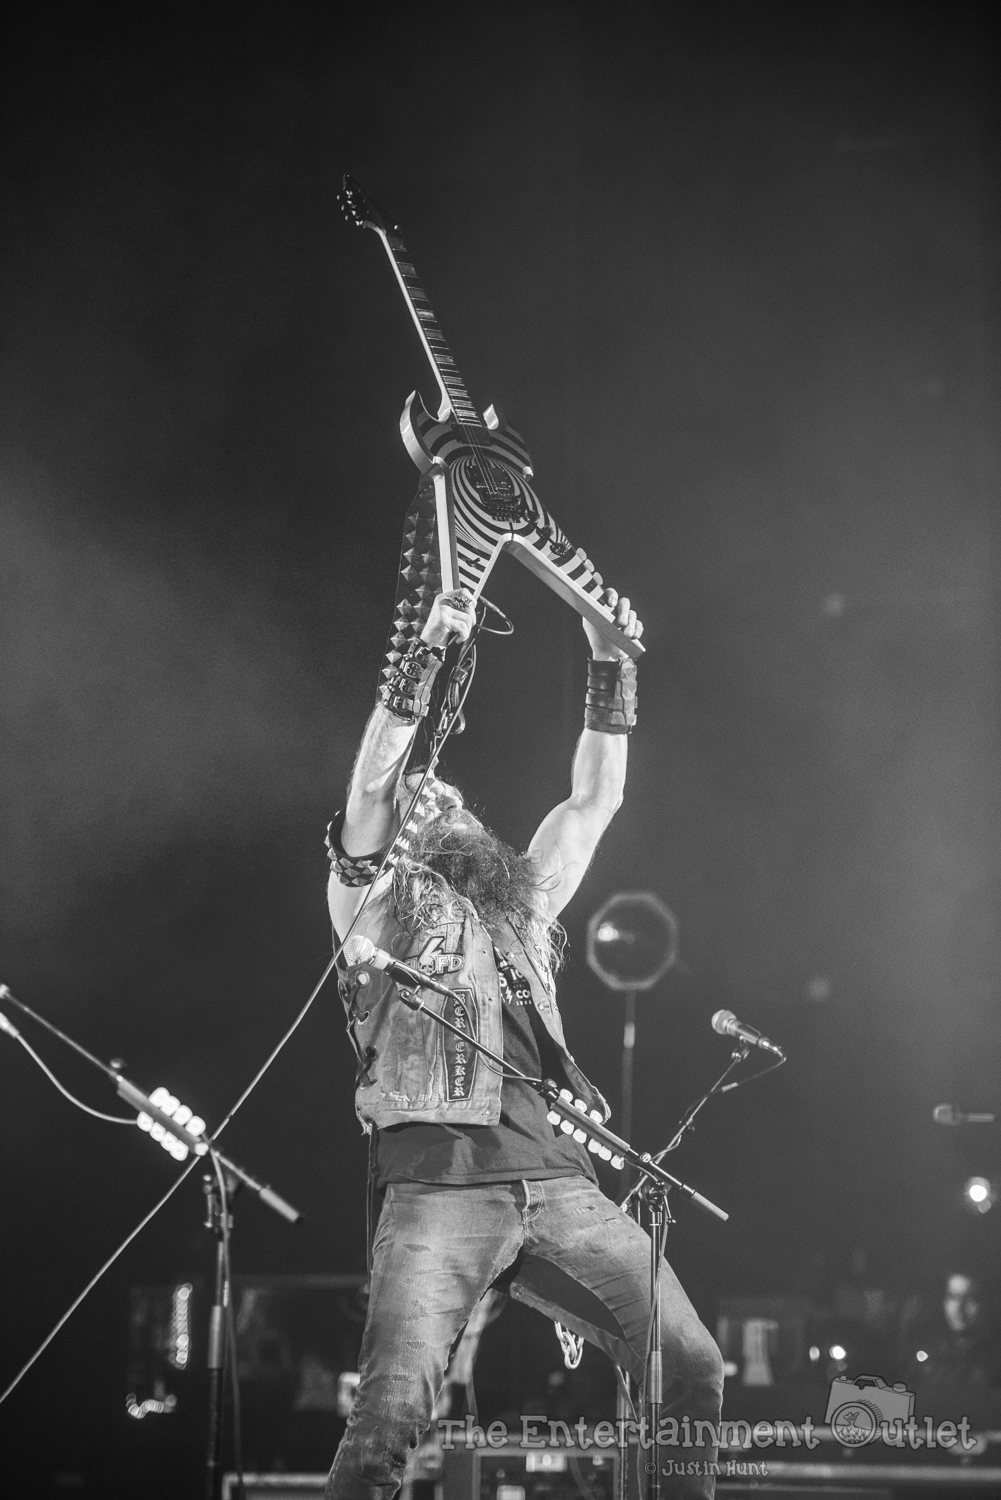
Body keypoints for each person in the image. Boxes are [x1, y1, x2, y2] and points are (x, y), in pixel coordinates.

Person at [324, 587, 723, 1500]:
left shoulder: (523, 909)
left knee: (690, 1362)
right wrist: (424, 654)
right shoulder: (374, 910)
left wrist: (608, 655)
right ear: (405, 843)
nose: (448, 802)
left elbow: (594, 798)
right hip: (437, 1181)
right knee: (391, 1414)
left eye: (455, 798)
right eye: (428, 802)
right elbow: (371, 791)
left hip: (557, 1181)